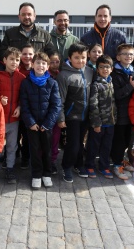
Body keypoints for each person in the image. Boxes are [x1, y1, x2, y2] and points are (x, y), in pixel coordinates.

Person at [20, 52, 61, 189]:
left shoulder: (52, 83)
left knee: (47, 149)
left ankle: (46, 174)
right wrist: (30, 122)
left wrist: (48, 124)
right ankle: (36, 175)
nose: (40, 65)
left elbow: (56, 105)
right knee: (35, 150)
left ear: (48, 66)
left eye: (44, 63)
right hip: (32, 125)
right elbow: (24, 105)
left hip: (46, 125)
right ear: (32, 64)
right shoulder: (26, 83)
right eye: (38, 62)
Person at [56, 43, 94, 182]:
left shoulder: (90, 71)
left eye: (83, 57)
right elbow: (60, 98)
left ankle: (78, 164)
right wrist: (61, 118)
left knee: (80, 143)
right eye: (76, 57)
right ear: (70, 58)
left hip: (86, 116)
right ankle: (66, 166)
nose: (80, 61)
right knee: (73, 144)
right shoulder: (64, 75)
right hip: (71, 116)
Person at [0, 47, 25, 184]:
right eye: (11, 59)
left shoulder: (21, 77)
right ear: (5, 60)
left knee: (11, 146)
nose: (14, 62)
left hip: (14, 120)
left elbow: (23, 96)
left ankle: (10, 169)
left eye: (17, 60)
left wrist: (20, 106)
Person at [110, 44, 134, 179]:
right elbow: (116, 94)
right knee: (119, 140)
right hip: (120, 112)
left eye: (131, 54)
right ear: (118, 57)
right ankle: (116, 164)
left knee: (128, 140)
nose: (129, 56)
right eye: (125, 54)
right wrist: (130, 86)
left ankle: (122, 160)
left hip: (132, 112)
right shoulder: (114, 73)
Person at [86, 55, 117, 179]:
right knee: (93, 145)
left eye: (107, 67)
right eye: (101, 67)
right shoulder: (96, 85)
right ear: (97, 69)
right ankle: (89, 165)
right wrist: (96, 123)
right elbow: (93, 105)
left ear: (111, 69)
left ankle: (104, 166)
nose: (105, 69)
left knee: (106, 146)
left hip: (111, 122)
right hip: (99, 123)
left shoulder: (111, 82)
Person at [17, 43, 35, 168]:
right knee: (15, 135)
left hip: (30, 109)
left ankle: (26, 157)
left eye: (30, 54)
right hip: (16, 108)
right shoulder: (16, 69)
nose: (27, 56)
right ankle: (11, 154)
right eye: (24, 54)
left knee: (28, 137)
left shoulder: (37, 70)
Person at [47, 50, 62, 174]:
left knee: (55, 139)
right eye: (52, 62)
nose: (55, 64)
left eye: (57, 61)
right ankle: (43, 161)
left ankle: (52, 161)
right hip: (45, 113)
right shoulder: (44, 75)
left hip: (57, 113)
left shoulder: (60, 75)